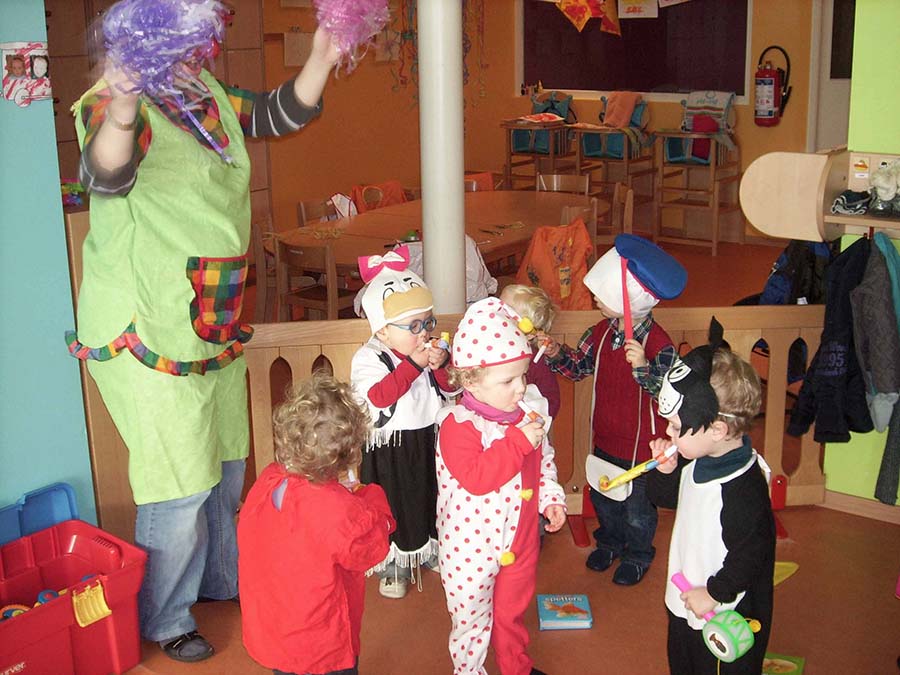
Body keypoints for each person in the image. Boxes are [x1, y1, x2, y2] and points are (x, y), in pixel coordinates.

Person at [64, 0, 341, 661]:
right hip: (147, 321)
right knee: (177, 478)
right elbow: (106, 170)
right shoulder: (110, 98)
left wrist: (326, 52)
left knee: (224, 463)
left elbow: (275, 112)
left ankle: (220, 581)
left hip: (208, 314)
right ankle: (165, 616)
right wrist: (127, 102)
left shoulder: (200, 86)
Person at [543, 234, 687, 586]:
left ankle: (638, 554)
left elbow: (673, 397)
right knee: (605, 498)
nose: (593, 298)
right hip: (606, 438)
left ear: (628, 302)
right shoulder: (601, 332)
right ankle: (609, 542)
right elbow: (578, 367)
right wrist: (554, 353)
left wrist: (643, 368)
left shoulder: (659, 343)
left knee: (638, 510)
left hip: (643, 448)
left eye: (601, 295)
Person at [436, 297, 567, 675]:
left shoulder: (526, 416)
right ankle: (470, 671)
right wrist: (518, 441)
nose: (521, 388)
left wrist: (551, 499)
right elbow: (478, 478)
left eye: (523, 376)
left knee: (511, 615)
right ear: (471, 380)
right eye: (508, 380)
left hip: (521, 539)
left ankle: (515, 667)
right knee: (471, 623)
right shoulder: (456, 425)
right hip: (470, 549)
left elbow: (543, 462)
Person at [238, 372, 395, 675]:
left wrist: (342, 498)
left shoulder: (267, 481)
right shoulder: (339, 510)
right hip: (322, 640)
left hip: (275, 628)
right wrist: (371, 498)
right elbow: (371, 549)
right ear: (349, 454)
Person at [648, 317, 775, 675]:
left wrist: (715, 592)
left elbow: (751, 555)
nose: (669, 434)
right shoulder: (695, 457)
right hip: (687, 594)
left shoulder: (743, 489)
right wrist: (666, 472)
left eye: (676, 426)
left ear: (718, 429)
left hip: (723, 610)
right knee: (683, 659)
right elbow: (669, 500)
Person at [350, 246, 454, 599]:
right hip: (390, 448)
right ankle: (392, 563)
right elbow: (379, 396)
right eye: (414, 326)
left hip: (427, 437)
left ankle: (426, 546)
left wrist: (439, 367)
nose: (425, 332)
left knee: (428, 494)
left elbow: (450, 389)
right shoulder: (369, 357)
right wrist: (415, 364)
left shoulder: (424, 352)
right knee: (392, 503)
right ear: (382, 331)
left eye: (428, 322)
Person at [498, 284, 560, 418]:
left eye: (507, 311)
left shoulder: (536, 361)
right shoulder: (486, 347)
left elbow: (551, 402)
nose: (496, 313)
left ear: (529, 332)